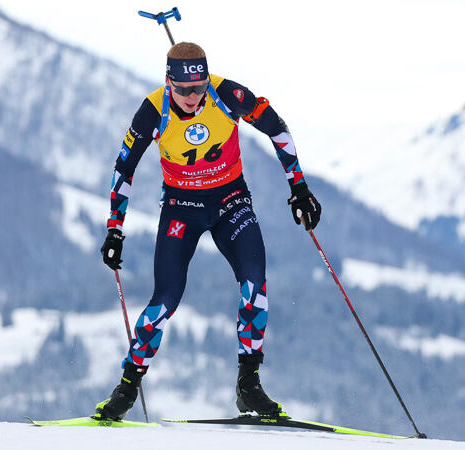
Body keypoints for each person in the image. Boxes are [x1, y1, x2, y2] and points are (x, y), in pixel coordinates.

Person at [93, 42, 321, 421]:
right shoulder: (153, 110)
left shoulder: (229, 94)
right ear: (168, 83)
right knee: (165, 299)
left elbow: (277, 130)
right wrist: (115, 229)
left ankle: (248, 386)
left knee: (254, 285)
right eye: (182, 90)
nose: (191, 96)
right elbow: (124, 169)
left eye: (198, 87)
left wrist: (298, 187)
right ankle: (126, 388)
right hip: (182, 209)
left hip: (231, 202)